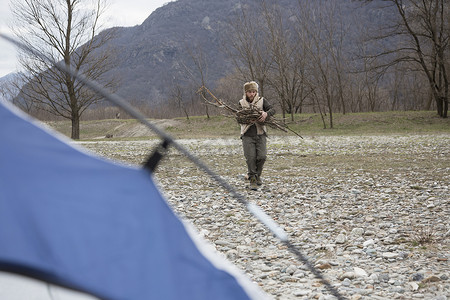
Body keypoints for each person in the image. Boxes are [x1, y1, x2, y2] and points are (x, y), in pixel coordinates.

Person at [238, 81, 275, 190]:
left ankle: (257, 175)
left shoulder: (262, 101)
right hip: (247, 135)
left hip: (260, 134)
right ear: (246, 92)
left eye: (254, 91)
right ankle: (253, 179)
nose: (252, 94)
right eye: (249, 92)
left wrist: (266, 114)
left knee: (262, 157)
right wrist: (247, 119)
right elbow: (238, 118)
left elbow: (273, 109)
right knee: (250, 158)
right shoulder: (241, 103)